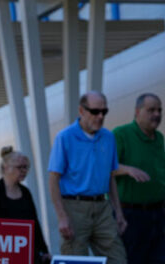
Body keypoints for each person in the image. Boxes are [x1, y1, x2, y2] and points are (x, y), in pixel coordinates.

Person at [48, 91, 126, 264]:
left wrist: (118, 212)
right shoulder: (65, 137)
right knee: (74, 259)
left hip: (102, 207)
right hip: (74, 207)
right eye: (95, 111)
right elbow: (53, 179)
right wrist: (62, 217)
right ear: (81, 111)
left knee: (118, 259)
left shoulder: (108, 137)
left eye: (104, 112)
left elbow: (110, 176)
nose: (100, 116)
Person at [112, 93, 165, 264]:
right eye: (151, 110)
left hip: (158, 213)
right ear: (137, 112)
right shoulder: (121, 134)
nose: (157, 114)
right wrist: (127, 169)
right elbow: (104, 169)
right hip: (130, 216)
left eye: (159, 110)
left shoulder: (159, 139)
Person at [0, 146, 51, 264]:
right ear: (6, 167)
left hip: (25, 251)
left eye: (26, 167)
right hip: (1, 252)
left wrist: (44, 250)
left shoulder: (25, 192)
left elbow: (34, 224)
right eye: (20, 167)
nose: (24, 171)